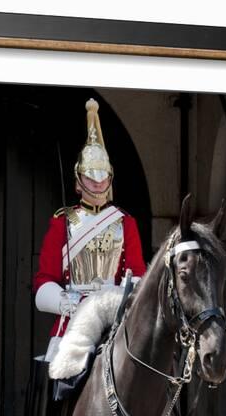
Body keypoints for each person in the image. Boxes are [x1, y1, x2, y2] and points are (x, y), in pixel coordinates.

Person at [34, 98, 146, 359]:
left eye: (103, 176)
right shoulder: (63, 222)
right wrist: (67, 302)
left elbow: (139, 273)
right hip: (73, 316)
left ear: (110, 178)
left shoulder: (125, 222)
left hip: (113, 315)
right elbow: (43, 282)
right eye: (90, 177)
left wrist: (119, 301)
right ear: (78, 181)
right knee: (57, 381)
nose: (97, 183)